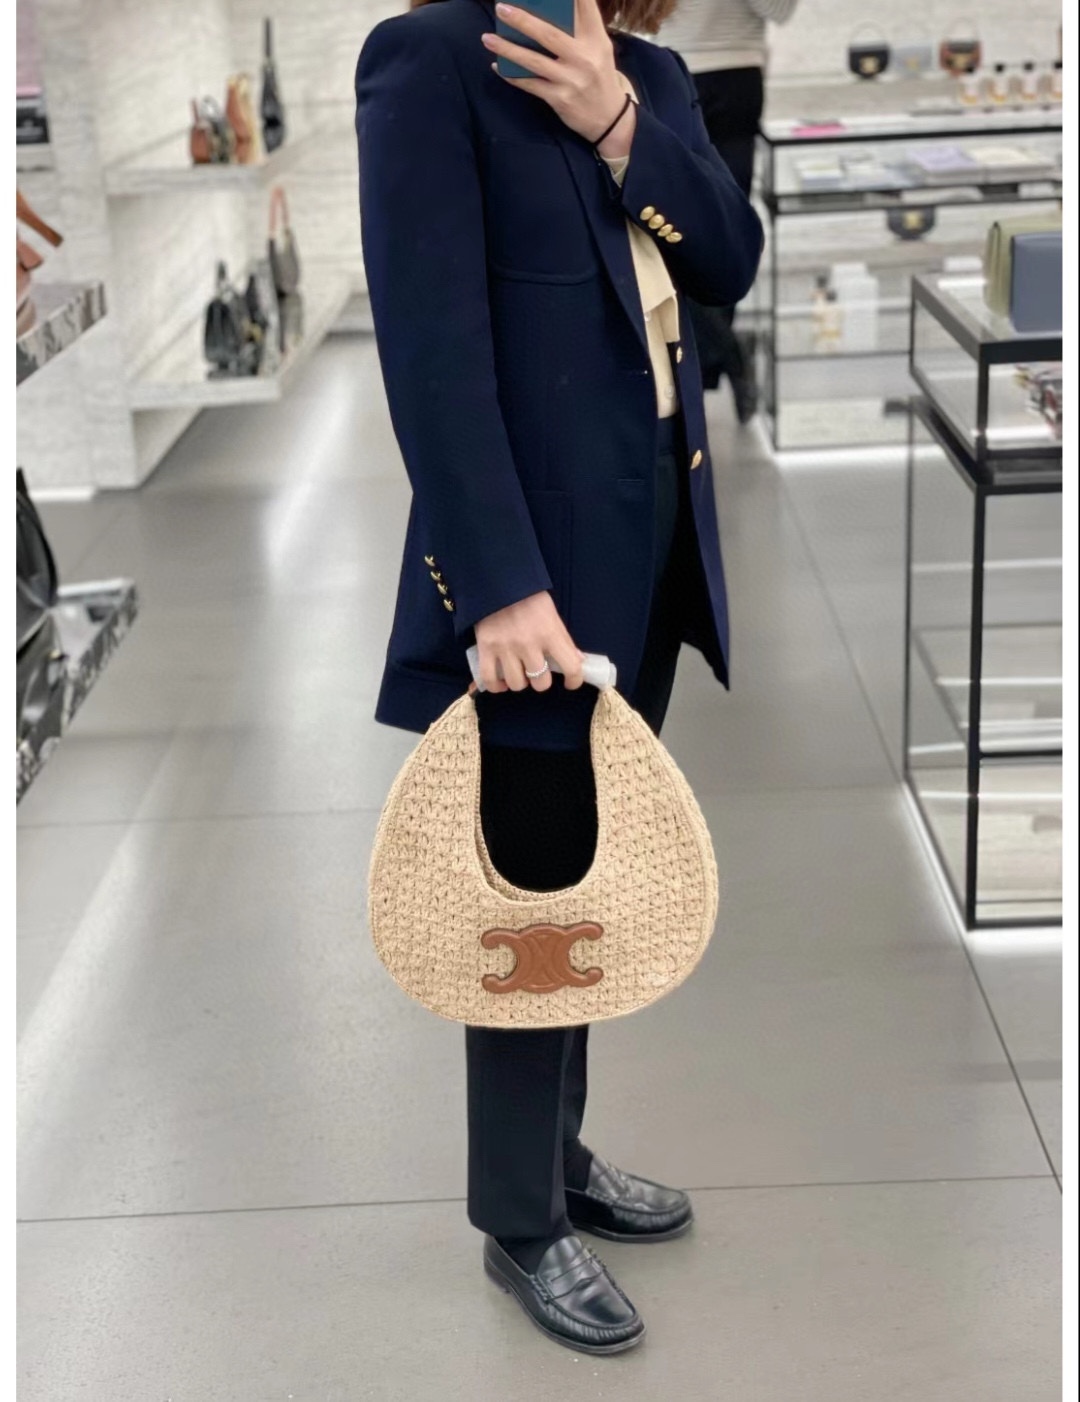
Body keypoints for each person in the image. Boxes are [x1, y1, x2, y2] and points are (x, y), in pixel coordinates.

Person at [356, 0, 761, 1354]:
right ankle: (520, 1219)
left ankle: (560, 1158)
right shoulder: (431, 62)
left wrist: (622, 124)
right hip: (533, 576)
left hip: (653, 546)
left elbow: (728, 260)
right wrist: (496, 583)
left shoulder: (652, 75)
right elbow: (430, 349)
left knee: (590, 875)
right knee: (528, 894)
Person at [660, 0, 799, 418]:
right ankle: (724, 353)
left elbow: (779, 10)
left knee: (720, 231)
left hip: (725, 73)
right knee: (683, 234)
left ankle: (710, 363)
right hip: (681, 68)